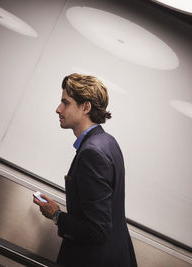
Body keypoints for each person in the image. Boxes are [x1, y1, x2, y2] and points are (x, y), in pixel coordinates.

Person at [33, 73, 137, 266]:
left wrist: (56, 215)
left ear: (86, 107)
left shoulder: (92, 153)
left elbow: (97, 230)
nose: (58, 109)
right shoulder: (108, 142)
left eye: (66, 103)